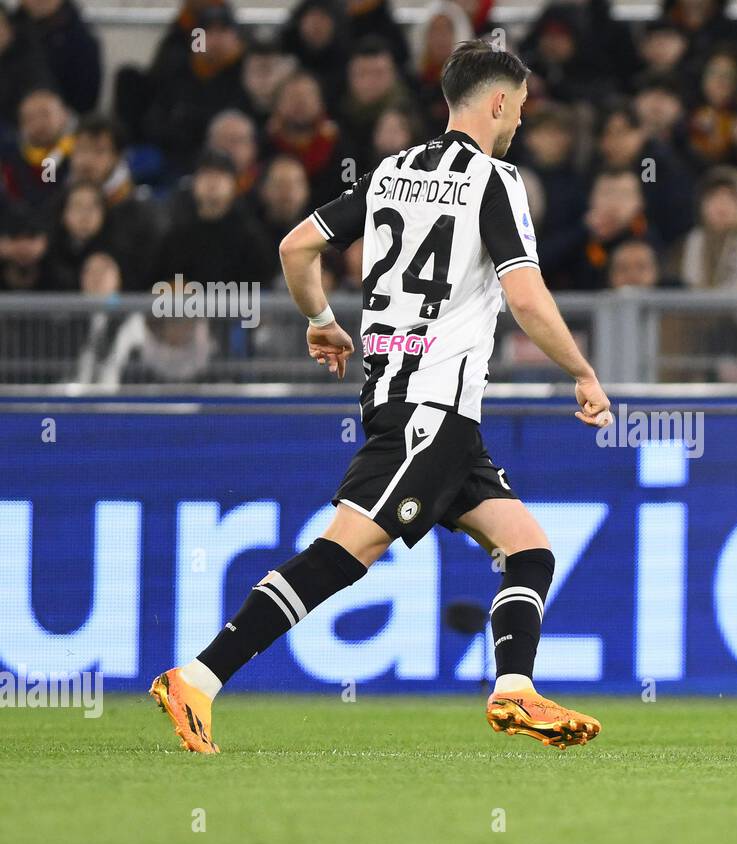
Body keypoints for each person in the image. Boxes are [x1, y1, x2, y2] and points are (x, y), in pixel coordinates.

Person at [149, 40, 612, 754]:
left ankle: (514, 688)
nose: (519, 121)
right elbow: (525, 295)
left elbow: (296, 248)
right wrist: (581, 370)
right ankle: (199, 678)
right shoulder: (496, 180)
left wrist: (322, 323)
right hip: (431, 412)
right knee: (346, 552)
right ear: (497, 103)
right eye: (518, 108)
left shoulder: (392, 173)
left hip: (420, 407)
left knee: (529, 548)